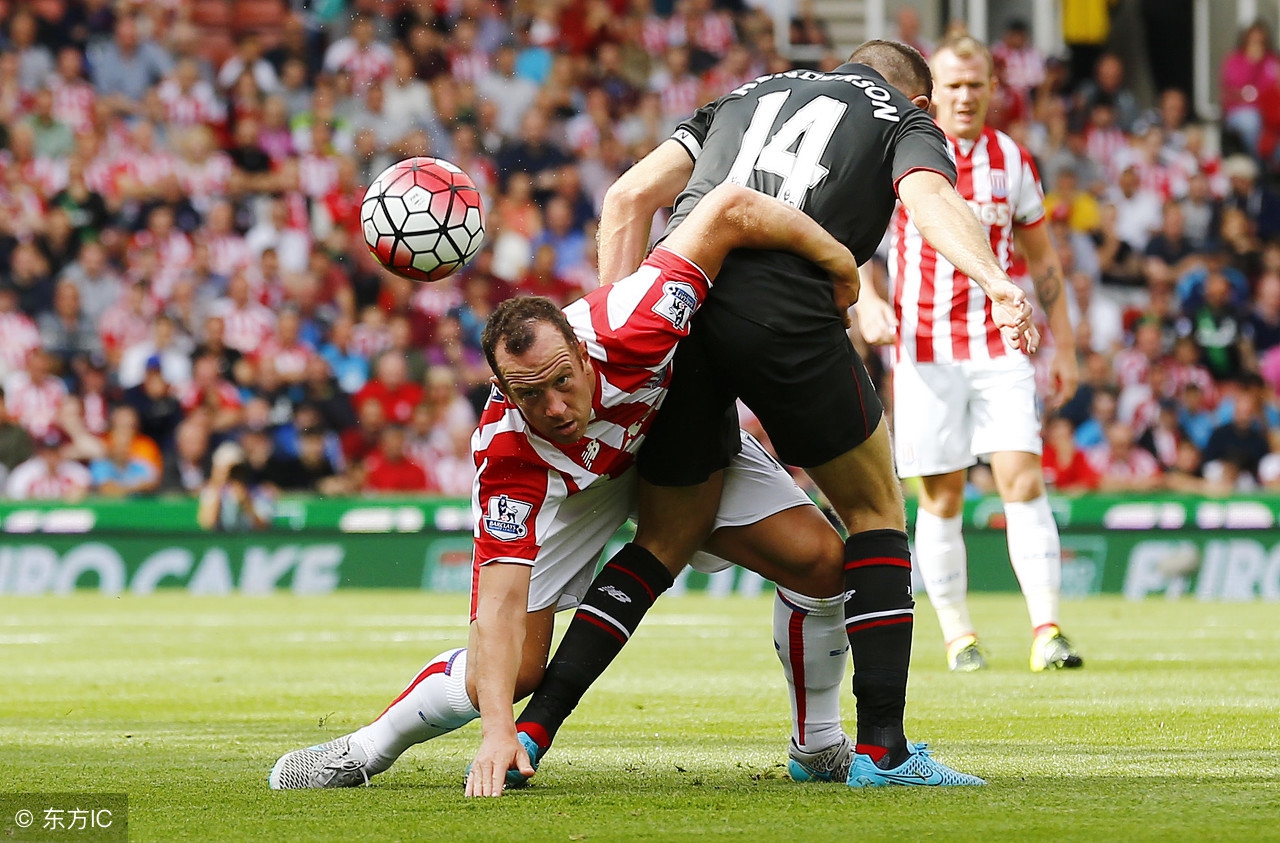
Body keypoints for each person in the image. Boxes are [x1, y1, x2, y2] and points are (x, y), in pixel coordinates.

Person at [506, 40, 1034, 792]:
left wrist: (623, 343)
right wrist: (997, 282)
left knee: (662, 540)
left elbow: (627, 198)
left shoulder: (745, 94)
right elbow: (930, 199)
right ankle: (884, 750)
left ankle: (535, 730)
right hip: (785, 310)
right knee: (877, 509)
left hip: (682, 303)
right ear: (918, 99)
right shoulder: (903, 120)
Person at [270, 183, 897, 795]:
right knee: (514, 669)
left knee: (821, 563)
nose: (555, 407)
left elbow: (730, 208)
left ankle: (817, 746)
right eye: (528, 395)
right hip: (575, 491)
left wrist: (847, 270)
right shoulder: (508, 454)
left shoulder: (636, 319)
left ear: (580, 346)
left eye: (562, 381)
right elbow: (499, 606)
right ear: (503, 391)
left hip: (673, 446)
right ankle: (368, 748)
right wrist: (496, 732)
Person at [855, 35, 1084, 674]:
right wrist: (866, 301)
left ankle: (1048, 630)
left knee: (1023, 477)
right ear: (934, 92)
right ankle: (960, 637)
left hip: (998, 344)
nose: (964, 96)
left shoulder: (1011, 159)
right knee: (943, 495)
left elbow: (1043, 261)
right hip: (923, 350)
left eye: (975, 85)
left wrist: (1065, 346)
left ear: (990, 88)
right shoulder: (899, 152)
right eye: (952, 86)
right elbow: (852, 243)